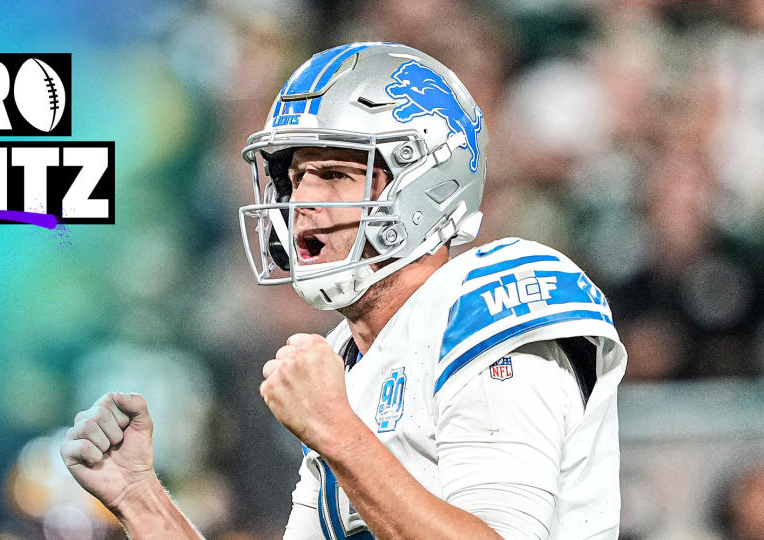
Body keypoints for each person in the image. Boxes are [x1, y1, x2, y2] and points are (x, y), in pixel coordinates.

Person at [61, 42, 627, 540]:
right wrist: (141, 498)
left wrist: (335, 430)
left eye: (332, 174)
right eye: (292, 178)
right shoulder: (350, 362)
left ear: (423, 185)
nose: (299, 201)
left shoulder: (486, 301)